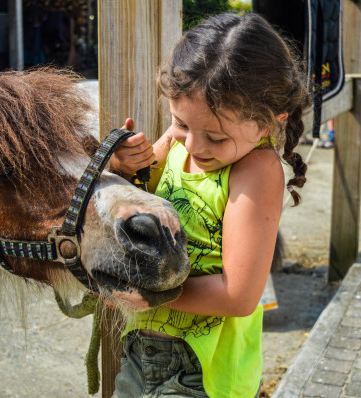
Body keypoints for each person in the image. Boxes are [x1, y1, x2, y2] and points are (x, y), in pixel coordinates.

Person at [108, 13, 311, 398]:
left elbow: (239, 295)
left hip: (204, 372)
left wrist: (144, 292)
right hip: (138, 352)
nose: (193, 146)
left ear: (269, 122)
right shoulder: (179, 141)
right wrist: (123, 165)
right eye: (180, 123)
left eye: (215, 138)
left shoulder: (257, 170)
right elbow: (138, 194)